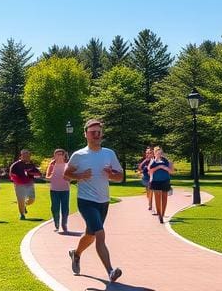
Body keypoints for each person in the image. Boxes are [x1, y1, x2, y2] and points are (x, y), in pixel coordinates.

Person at [64, 118, 124, 281]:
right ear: (86, 135)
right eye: (93, 133)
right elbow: (66, 174)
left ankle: (75, 254)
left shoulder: (109, 154)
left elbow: (120, 177)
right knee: (100, 233)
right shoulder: (79, 155)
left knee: (90, 235)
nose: (97, 135)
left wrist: (112, 175)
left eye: (99, 132)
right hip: (86, 201)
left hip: (103, 201)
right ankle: (110, 271)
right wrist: (80, 176)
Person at [9, 149, 41, 220]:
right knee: (20, 199)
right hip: (19, 184)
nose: (27, 156)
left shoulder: (31, 165)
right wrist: (16, 180)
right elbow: (11, 174)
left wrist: (31, 173)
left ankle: (24, 205)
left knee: (31, 200)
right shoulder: (16, 165)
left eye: (28, 155)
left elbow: (38, 173)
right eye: (25, 154)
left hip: (29, 184)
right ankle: (22, 215)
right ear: (21, 156)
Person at [147, 146, 175, 223]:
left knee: (164, 198)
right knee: (157, 199)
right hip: (156, 181)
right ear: (155, 153)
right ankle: (159, 215)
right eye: (158, 153)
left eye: (161, 153)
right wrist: (159, 166)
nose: (159, 154)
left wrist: (165, 167)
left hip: (165, 181)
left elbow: (172, 171)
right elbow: (149, 171)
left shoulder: (167, 161)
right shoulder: (152, 161)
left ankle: (163, 214)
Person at [46, 148, 71, 233]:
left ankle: (64, 224)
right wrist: (52, 176)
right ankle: (56, 223)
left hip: (65, 190)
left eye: (61, 154)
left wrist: (68, 178)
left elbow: (70, 178)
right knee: (55, 208)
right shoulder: (52, 165)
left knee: (65, 208)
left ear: (64, 156)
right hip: (54, 190)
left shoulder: (67, 165)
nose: (59, 156)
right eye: (57, 154)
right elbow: (47, 177)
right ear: (54, 156)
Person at [137, 147, 155, 213]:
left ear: (153, 153)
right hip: (145, 178)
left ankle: (151, 206)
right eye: (147, 153)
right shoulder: (145, 161)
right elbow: (140, 167)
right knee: (148, 193)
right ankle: (150, 204)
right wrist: (140, 172)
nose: (148, 154)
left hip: (153, 178)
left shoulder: (155, 160)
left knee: (151, 191)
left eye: (150, 153)